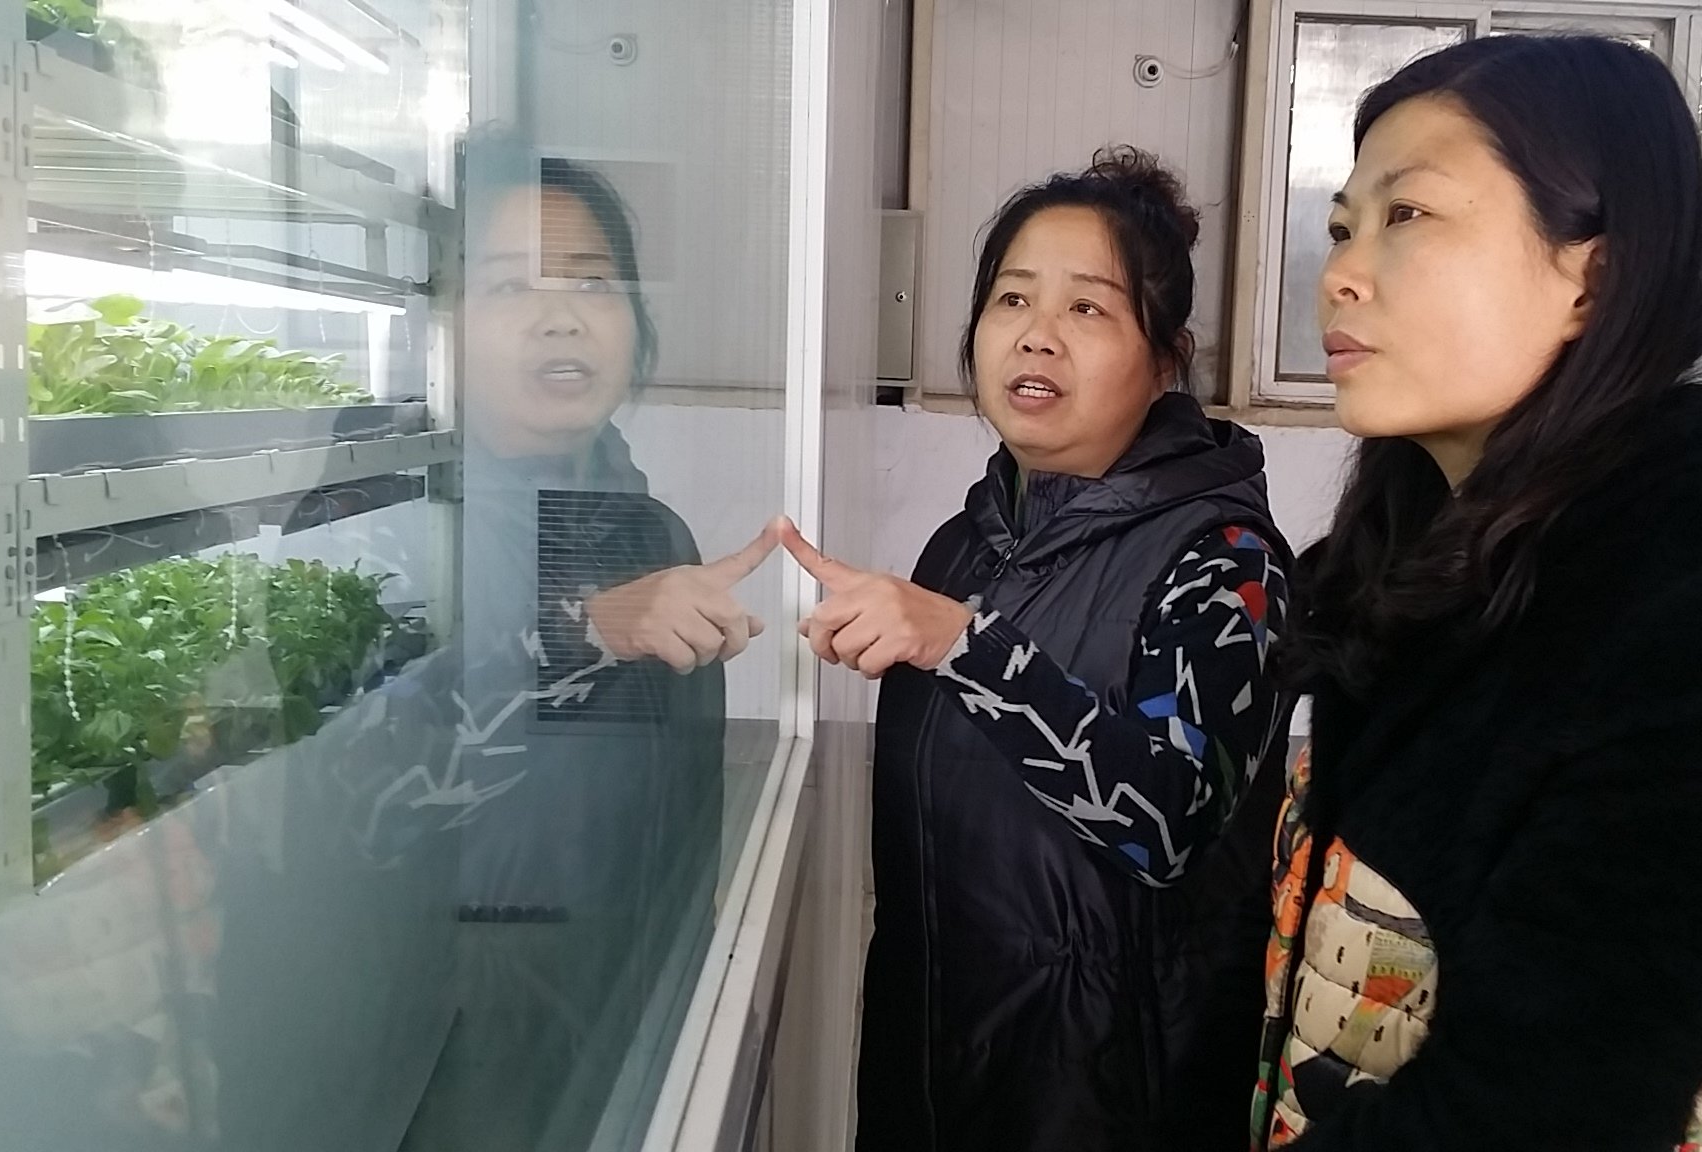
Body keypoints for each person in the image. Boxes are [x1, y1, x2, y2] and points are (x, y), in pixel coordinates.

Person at [1254, 35, 1702, 1151]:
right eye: (1342, 226)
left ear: (1592, 279)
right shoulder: (1425, 558)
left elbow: (1533, 1115)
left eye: (1408, 215)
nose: (1340, 272)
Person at [784, 147, 1294, 1152]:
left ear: (1165, 358)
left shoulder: (1227, 558)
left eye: (1087, 308)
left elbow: (1167, 818)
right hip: (936, 1062)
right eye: (1011, 298)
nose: (1036, 334)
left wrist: (965, 644)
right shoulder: (966, 543)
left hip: (1111, 1093)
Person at [398, 139, 772, 1152]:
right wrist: (582, 634)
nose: (561, 315)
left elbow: (674, 825)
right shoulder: (389, 517)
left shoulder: (649, 533)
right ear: (441, 324)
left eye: (593, 282)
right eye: (510, 283)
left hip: (630, 1032)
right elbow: (365, 793)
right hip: (441, 1057)